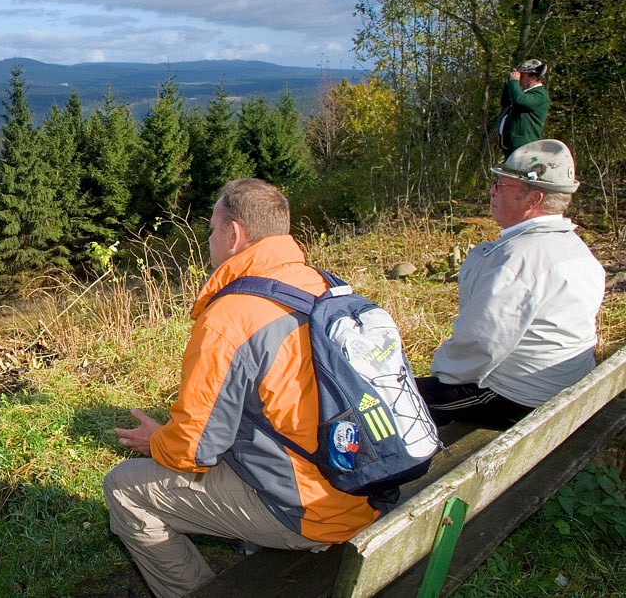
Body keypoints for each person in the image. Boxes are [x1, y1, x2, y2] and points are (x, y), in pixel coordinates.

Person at [103, 178, 380, 598]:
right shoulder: (323, 285)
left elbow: (193, 449)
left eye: (212, 230)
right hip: (366, 481)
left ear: (233, 235)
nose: (210, 239)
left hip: (316, 511)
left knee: (123, 488)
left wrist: (156, 440)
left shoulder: (230, 318)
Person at [416, 139, 605, 430]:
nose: (492, 190)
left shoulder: (520, 259)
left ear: (533, 200)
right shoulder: (575, 249)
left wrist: (438, 379)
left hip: (519, 400)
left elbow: (479, 344)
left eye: (502, 185)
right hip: (562, 387)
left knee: (393, 402)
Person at [497, 59, 550, 156]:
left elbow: (519, 100)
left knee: (525, 171)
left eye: (522, 75)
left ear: (533, 77)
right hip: (512, 145)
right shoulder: (523, 93)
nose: (519, 78)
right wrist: (509, 83)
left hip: (524, 147)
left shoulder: (540, 95)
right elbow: (505, 103)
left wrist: (514, 82)